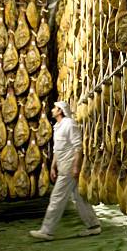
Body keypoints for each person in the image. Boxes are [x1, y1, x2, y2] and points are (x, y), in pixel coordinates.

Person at [30, 101, 101, 240]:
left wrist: (76, 166)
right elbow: (57, 149)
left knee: (56, 198)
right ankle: (94, 225)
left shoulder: (69, 124)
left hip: (69, 168)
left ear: (60, 110)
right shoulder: (57, 126)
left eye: (55, 108)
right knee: (80, 198)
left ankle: (47, 231)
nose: (52, 110)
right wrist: (52, 166)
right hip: (62, 166)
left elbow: (78, 147)